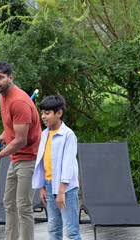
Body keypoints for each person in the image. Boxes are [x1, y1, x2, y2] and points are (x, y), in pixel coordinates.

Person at [0, 61, 42, 240]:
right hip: (16, 158)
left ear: (10, 78)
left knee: (23, 206)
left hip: (29, 158)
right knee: (9, 203)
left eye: (0, 77)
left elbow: (21, 140)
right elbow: (14, 126)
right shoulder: (2, 95)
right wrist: (5, 134)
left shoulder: (19, 101)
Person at [32, 95, 81, 240]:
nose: (43, 116)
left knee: (71, 231)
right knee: (53, 229)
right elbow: (40, 163)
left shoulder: (68, 135)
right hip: (48, 186)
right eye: (42, 113)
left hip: (65, 190)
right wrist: (41, 187)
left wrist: (61, 192)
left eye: (47, 113)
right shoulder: (44, 134)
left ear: (59, 113)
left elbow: (68, 165)